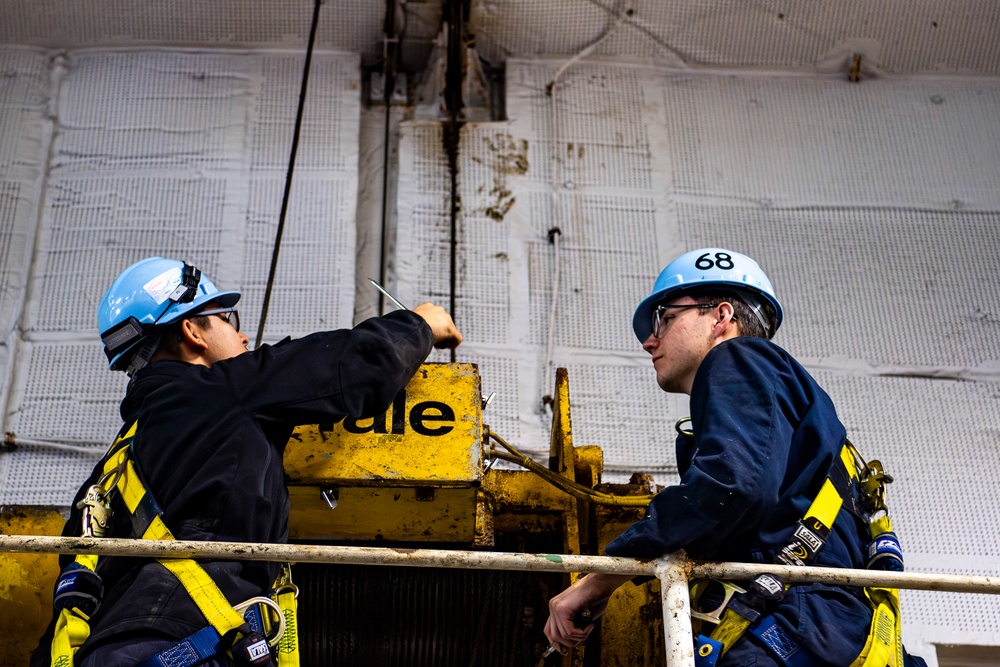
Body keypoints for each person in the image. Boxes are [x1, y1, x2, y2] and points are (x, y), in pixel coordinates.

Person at [31, 256, 462, 667]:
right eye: (227, 319)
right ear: (192, 332)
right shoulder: (224, 391)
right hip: (185, 647)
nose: (242, 338)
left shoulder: (106, 475)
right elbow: (357, 365)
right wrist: (420, 323)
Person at [543, 248, 925, 667]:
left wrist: (598, 580)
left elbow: (730, 485)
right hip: (825, 629)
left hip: (786, 626)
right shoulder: (804, 414)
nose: (649, 340)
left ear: (721, 316)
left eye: (666, 318)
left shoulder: (737, 357)